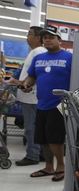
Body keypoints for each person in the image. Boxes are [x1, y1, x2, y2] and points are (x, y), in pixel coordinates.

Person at [21, 25, 72, 182]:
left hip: (59, 105)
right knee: (42, 139)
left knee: (55, 139)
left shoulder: (69, 57)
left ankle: (61, 166)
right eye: (45, 37)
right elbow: (32, 77)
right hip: (41, 103)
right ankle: (49, 167)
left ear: (59, 40)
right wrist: (26, 84)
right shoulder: (38, 58)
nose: (47, 40)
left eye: (51, 37)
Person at [7, 26, 47, 166]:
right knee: (35, 127)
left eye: (30, 34)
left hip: (31, 97)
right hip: (30, 96)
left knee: (31, 128)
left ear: (38, 38)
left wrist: (18, 82)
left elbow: (35, 76)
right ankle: (40, 154)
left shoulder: (38, 52)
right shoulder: (35, 52)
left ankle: (32, 156)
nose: (27, 36)